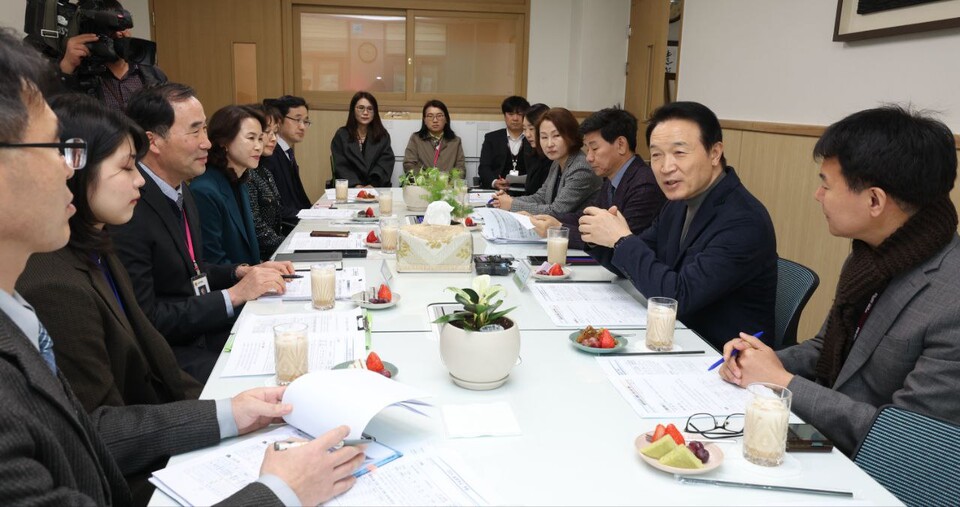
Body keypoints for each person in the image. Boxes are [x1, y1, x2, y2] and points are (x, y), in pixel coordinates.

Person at [0, 27, 362, 505]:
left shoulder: (58, 275)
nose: (71, 170)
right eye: (58, 149)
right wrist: (279, 493)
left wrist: (229, 413)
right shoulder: (52, 284)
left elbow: (91, 427)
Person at [719, 106, 960, 455]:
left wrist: (782, 381)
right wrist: (761, 361)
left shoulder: (950, 300)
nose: (818, 196)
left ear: (875, 200)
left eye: (826, 185)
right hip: (824, 438)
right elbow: (826, 348)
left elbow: (907, 441)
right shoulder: (870, 256)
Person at [16, 92, 203, 505]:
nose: (140, 180)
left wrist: (222, 413)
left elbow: (159, 361)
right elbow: (101, 430)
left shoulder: (97, 246)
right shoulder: (53, 283)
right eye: (125, 167)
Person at [111, 83, 293, 383]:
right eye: (194, 131)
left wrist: (242, 272)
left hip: (199, 331)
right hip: (169, 357)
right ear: (153, 141)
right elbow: (147, 318)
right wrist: (234, 295)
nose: (207, 143)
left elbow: (192, 270)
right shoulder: (131, 206)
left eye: (205, 130)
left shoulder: (181, 190)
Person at [579, 101, 777, 350]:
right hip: (679, 339)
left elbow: (676, 297)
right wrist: (598, 234)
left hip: (722, 357)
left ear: (715, 153)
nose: (665, 167)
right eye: (657, 155)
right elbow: (634, 263)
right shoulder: (678, 203)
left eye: (679, 153)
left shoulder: (743, 221)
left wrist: (621, 240)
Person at [529, 107, 665, 250]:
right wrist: (544, 220)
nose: (589, 158)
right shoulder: (611, 179)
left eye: (594, 149)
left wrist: (558, 229)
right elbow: (586, 216)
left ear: (621, 145)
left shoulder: (644, 185)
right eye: (587, 150)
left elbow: (621, 242)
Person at [54, 0, 167, 113]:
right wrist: (67, 66)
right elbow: (57, 113)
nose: (119, 33)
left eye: (122, 27)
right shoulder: (74, 72)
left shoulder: (152, 73)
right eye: (110, 29)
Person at [491, 107, 601, 215]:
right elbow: (541, 197)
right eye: (544, 137)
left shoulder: (581, 168)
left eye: (556, 135)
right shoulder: (557, 162)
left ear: (571, 135)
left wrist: (511, 204)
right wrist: (508, 200)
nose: (549, 144)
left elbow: (556, 211)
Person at [192, 104, 265, 266]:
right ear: (224, 141)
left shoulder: (239, 180)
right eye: (251, 138)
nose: (259, 146)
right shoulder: (204, 190)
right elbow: (212, 260)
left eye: (260, 138)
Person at [262, 95, 313, 223]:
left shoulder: (287, 152)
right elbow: (278, 209)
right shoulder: (270, 154)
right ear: (279, 121)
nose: (302, 127)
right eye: (297, 120)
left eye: (305, 121)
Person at [246, 103, 286, 261]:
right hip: (261, 259)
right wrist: (290, 243)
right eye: (267, 132)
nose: (274, 138)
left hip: (274, 252)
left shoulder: (265, 171)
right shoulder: (247, 175)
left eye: (275, 132)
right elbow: (257, 229)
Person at [330, 90, 394, 187]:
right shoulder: (341, 135)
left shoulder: (382, 136)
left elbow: (385, 163)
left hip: (376, 188)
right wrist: (356, 185)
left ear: (375, 112)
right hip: (350, 189)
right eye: (361, 108)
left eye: (370, 109)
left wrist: (373, 184)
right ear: (353, 110)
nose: (365, 112)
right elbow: (341, 165)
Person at [478, 95, 530, 189]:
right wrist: (494, 182)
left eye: (519, 114)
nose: (515, 118)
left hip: (527, 192)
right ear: (504, 116)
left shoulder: (531, 139)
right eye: (510, 114)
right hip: (497, 191)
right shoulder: (492, 138)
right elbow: (484, 167)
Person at [402, 99, 465, 174]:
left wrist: (447, 180)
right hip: (422, 185)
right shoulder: (416, 139)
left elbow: (461, 169)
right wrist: (426, 179)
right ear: (424, 120)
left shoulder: (455, 141)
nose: (435, 120)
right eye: (430, 116)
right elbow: (409, 165)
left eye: (439, 116)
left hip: (447, 185)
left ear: (446, 119)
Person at [521, 103, 552, 196]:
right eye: (524, 129)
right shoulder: (529, 148)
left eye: (531, 128)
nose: (527, 134)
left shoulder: (553, 155)